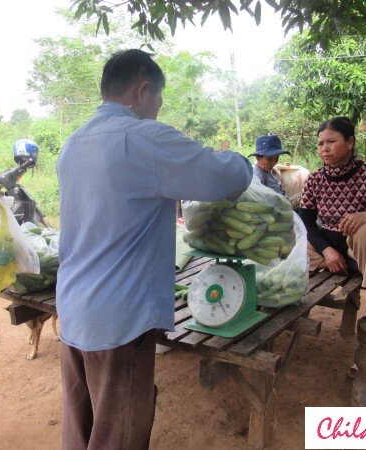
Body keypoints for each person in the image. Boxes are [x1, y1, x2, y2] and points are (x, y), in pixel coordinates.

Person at [56, 49, 252, 450]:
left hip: (75, 307)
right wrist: (242, 160)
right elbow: (223, 178)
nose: (158, 109)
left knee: (81, 426)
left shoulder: (73, 143)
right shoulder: (142, 138)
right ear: (143, 88)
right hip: (119, 318)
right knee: (119, 433)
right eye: (159, 99)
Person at [298, 117, 366, 327]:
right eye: (320, 143)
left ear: (350, 143)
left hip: (359, 245)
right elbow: (306, 223)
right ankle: (345, 265)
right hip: (328, 244)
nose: (324, 148)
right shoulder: (314, 179)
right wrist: (327, 250)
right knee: (292, 237)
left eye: (331, 141)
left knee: (364, 231)